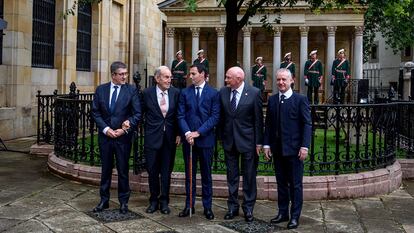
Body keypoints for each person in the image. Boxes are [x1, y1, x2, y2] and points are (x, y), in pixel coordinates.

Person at [263, 68, 312, 229]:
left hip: (295, 151)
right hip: (278, 151)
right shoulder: (273, 99)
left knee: (295, 185)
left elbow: (306, 124)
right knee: (281, 184)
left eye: (284, 79)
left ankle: (295, 216)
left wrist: (304, 146)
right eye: (278, 80)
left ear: (292, 81)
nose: (281, 82)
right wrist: (267, 144)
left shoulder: (300, 99)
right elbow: (269, 124)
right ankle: (282, 213)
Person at [91, 61, 141, 214]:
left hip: (123, 138)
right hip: (105, 138)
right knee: (105, 170)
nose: (125, 77)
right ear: (113, 75)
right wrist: (106, 129)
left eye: (126, 74)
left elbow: (137, 114)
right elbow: (95, 112)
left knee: (123, 170)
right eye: (121, 74)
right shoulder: (101, 90)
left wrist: (125, 128)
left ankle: (123, 202)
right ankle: (104, 200)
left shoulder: (131, 90)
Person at [219, 66, 263, 223]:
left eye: (228, 77)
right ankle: (232, 207)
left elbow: (258, 120)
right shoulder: (223, 92)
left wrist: (259, 142)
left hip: (248, 142)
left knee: (249, 176)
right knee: (232, 176)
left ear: (239, 79)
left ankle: (248, 208)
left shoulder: (254, 93)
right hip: (229, 141)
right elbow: (222, 118)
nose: (226, 80)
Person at [177, 63, 220, 220]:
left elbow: (214, 117)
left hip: (205, 140)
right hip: (189, 141)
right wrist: (188, 133)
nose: (190, 76)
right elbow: (180, 115)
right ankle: (189, 205)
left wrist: (198, 133)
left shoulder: (214, 93)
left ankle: (207, 207)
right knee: (190, 176)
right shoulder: (184, 93)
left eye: (193, 73)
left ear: (202, 74)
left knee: (206, 176)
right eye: (190, 73)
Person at [142, 66, 181, 215]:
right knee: (152, 171)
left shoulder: (176, 93)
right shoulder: (146, 93)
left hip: (169, 139)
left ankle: (164, 201)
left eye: (170, 77)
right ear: (157, 78)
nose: (169, 80)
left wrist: (179, 134)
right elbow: (139, 113)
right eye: (166, 77)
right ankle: (153, 201)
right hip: (152, 138)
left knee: (166, 172)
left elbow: (179, 115)